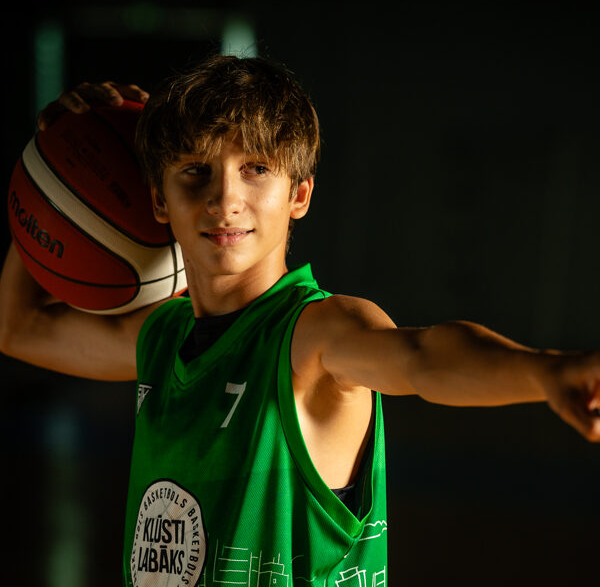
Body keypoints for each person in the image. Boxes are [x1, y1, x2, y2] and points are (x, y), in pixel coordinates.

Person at [1, 55, 599, 587]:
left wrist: (544, 372)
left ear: (300, 195)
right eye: (195, 171)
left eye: (256, 169)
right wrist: (59, 171)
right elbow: (18, 327)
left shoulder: (313, 334)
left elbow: (422, 357)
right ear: (159, 199)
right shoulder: (162, 336)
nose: (224, 199)